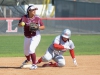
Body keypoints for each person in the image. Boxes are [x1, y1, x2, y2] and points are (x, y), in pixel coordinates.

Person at [18, 4, 45, 70]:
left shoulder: (37, 18)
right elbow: (19, 25)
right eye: (33, 10)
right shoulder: (24, 17)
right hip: (27, 36)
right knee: (26, 52)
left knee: (31, 49)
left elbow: (43, 27)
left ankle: (34, 65)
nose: (34, 11)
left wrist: (38, 27)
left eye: (35, 10)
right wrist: (21, 24)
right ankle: (28, 60)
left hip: (35, 36)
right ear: (29, 11)